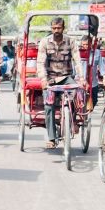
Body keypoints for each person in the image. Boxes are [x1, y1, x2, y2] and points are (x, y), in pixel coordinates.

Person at [36, 17, 82, 148]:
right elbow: (40, 63)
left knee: (76, 95)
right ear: (51, 28)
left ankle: (72, 120)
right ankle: (51, 138)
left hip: (67, 77)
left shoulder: (71, 41)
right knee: (48, 106)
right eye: (54, 28)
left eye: (59, 28)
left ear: (63, 28)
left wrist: (81, 78)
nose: (56, 30)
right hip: (50, 78)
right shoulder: (45, 42)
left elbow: (77, 61)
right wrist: (43, 79)